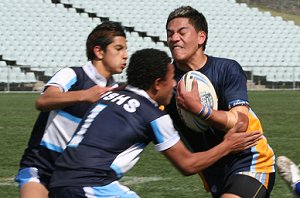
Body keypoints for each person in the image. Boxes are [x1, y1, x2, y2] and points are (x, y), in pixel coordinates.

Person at [47, 48, 262, 198]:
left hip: (57, 183)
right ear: (157, 84)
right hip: (91, 187)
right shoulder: (152, 115)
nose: (175, 83)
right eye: (171, 79)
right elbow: (188, 165)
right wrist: (228, 145)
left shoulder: (108, 97)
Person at [164, 6, 276, 198]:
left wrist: (200, 109)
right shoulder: (165, 80)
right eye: (170, 33)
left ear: (201, 37)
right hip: (214, 172)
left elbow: (241, 122)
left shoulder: (226, 69)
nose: (174, 38)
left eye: (182, 32)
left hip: (250, 161)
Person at [15, 21, 128, 198]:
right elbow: (44, 100)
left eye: (125, 50)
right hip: (40, 169)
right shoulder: (73, 75)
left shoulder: (116, 91)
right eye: (119, 49)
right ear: (99, 51)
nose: (125, 56)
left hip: (77, 178)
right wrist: (84, 95)